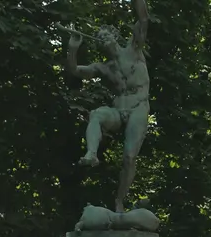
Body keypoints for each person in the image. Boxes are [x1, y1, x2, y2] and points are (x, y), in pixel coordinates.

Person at [61, 0, 153, 212]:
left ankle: (120, 200)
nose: (103, 41)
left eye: (106, 37)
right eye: (100, 40)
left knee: (129, 157)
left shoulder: (134, 49)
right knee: (97, 114)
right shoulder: (104, 68)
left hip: (139, 107)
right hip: (118, 110)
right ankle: (91, 154)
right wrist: (72, 49)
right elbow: (75, 71)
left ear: (115, 37)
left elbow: (144, 19)